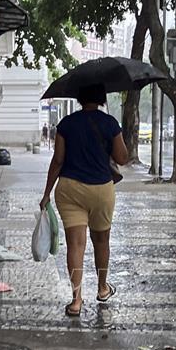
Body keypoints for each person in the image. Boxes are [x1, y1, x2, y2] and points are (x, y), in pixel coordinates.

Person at [39, 83, 128, 317]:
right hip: (101, 189)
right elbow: (122, 157)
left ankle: (76, 300)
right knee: (101, 240)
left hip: (70, 189)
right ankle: (102, 288)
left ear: (78, 98)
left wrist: (47, 192)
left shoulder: (66, 124)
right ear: (101, 98)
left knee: (75, 244)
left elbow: (58, 161)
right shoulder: (110, 123)